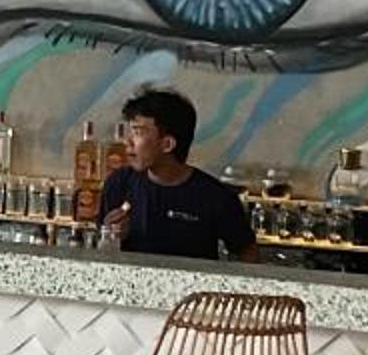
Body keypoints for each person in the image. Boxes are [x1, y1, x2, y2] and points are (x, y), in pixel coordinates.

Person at [96, 87, 256, 262]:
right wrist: (111, 236)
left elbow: (248, 254)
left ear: (167, 144)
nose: (128, 141)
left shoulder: (215, 196)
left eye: (138, 132)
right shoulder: (119, 183)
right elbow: (99, 253)